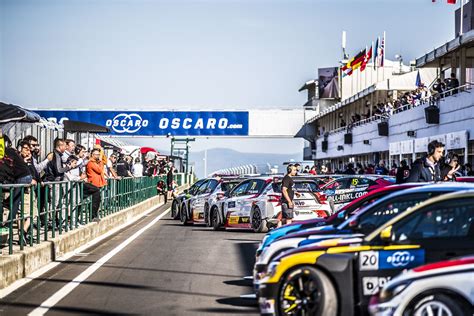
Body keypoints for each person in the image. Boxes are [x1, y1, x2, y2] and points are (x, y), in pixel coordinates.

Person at [86, 148, 106, 221]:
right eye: (96, 154)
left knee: (97, 200)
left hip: (97, 183)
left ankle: (95, 215)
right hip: (93, 183)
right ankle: (93, 216)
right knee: (94, 201)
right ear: (92, 155)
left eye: (98, 154)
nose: (98, 156)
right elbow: (100, 170)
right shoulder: (91, 163)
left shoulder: (95, 162)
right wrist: (100, 162)